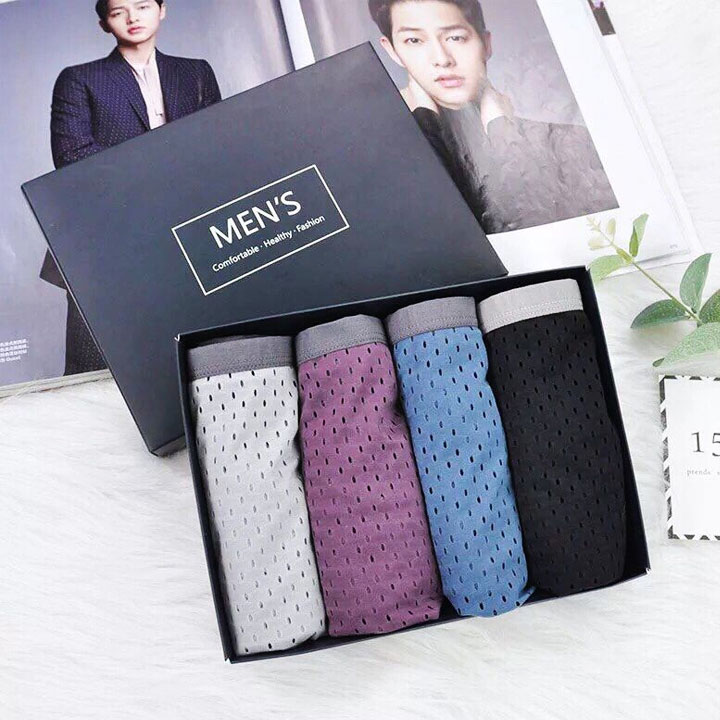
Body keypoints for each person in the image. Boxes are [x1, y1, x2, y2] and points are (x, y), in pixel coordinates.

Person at [40, 0, 221, 376]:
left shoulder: (195, 72)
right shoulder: (79, 79)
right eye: (119, 11)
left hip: (187, 227)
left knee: (198, 350)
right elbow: (73, 157)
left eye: (142, 6)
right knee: (95, 362)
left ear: (162, 10)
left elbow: (215, 145)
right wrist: (161, 173)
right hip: (108, 233)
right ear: (105, 23)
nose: (133, 17)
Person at [369, 0, 618, 234]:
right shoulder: (376, 162)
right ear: (392, 50)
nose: (442, 59)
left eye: (455, 37)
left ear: (486, 44)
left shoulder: (573, 142)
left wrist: (503, 132)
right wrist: (426, 125)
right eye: (414, 40)